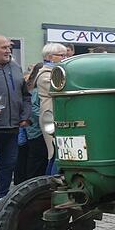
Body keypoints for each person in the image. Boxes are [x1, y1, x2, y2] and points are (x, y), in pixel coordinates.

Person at [0, 35, 31, 208]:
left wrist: (26, 116)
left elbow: (26, 96)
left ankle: (1, 198)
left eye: (9, 47)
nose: (8, 51)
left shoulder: (15, 67)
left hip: (12, 126)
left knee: (9, 163)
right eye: (3, 47)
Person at [36, 43, 69, 175]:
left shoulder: (56, 71)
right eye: (61, 55)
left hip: (58, 114)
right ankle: (50, 183)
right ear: (50, 57)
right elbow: (61, 86)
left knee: (59, 151)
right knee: (55, 152)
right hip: (50, 116)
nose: (65, 58)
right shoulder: (45, 74)